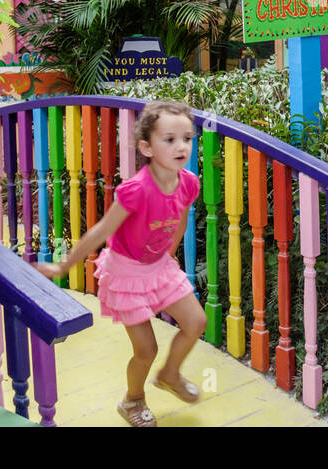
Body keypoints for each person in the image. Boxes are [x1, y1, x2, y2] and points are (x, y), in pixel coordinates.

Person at [34, 100, 206, 427]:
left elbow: (181, 218)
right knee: (146, 349)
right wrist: (63, 265)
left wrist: (169, 253)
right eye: (169, 139)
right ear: (147, 147)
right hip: (126, 273)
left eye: (187, 138)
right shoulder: (136, 190)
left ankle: (170, 374)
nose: (181, 146)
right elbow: (102, 229)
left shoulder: (188, 183)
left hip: (159, 267)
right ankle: (133, 400)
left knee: (196, 322)